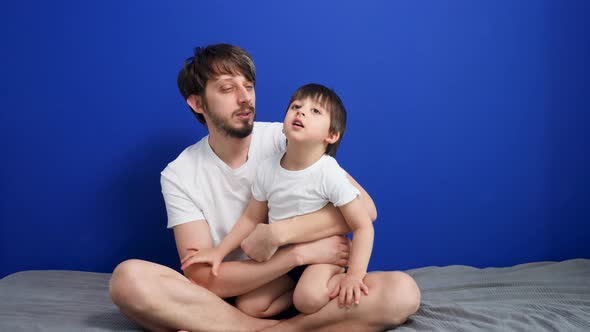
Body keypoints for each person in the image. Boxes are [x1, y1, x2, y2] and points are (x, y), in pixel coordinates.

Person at [109, 43, 420, 332]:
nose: (245, 98)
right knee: (128, 280)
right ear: (197, 102)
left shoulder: (285, 138)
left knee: (402, 293)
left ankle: (282, 328)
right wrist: (296, 254)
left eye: (249, 86)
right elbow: (203, 277)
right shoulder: (179, 174)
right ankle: (255, 327)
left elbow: (366, 210)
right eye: (228, 89)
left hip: (310, 282)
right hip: (239, 293)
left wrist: (280, 234)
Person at [181, 83, 375, 317]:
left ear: (331, 136)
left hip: (323, 257)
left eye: (315, 111)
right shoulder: (267, 168)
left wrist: (354, 275)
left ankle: (336, 284)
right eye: (296, 106)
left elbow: (363, 225)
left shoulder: (329, 173)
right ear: (283, 126)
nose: (301, 112)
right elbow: (251, 217)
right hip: (283, 259)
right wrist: (219, 251)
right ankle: (294, 296)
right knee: (250, 306)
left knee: (309, 299)